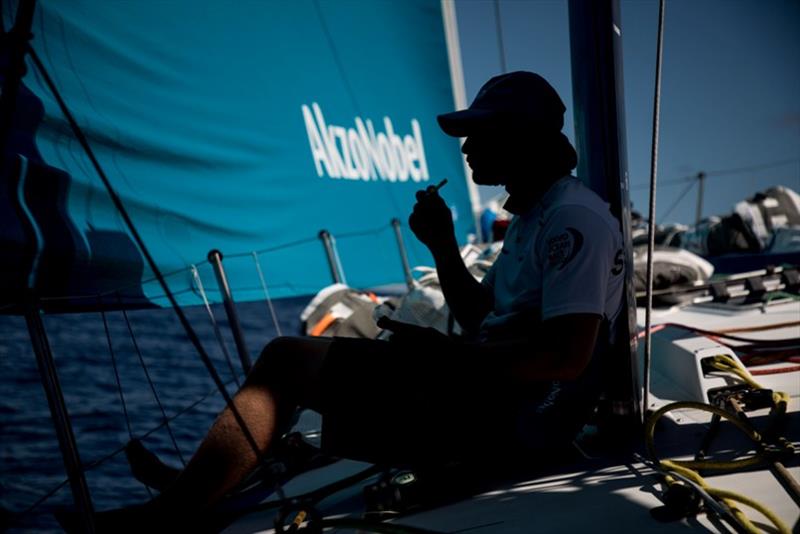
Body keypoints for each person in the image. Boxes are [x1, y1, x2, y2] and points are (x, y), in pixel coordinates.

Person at [80, 71, 625, 531]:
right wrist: (441, 246)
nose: (465, 148)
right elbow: (481, 318)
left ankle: (170, 515)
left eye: (479, 135)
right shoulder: (535, 217)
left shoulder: (571, 221)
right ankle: (199, 486)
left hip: (522, 422)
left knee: (287, 363)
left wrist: (448, 355)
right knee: (308, 367)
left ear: (521, 138)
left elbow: (566, 358)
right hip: (494, 396)